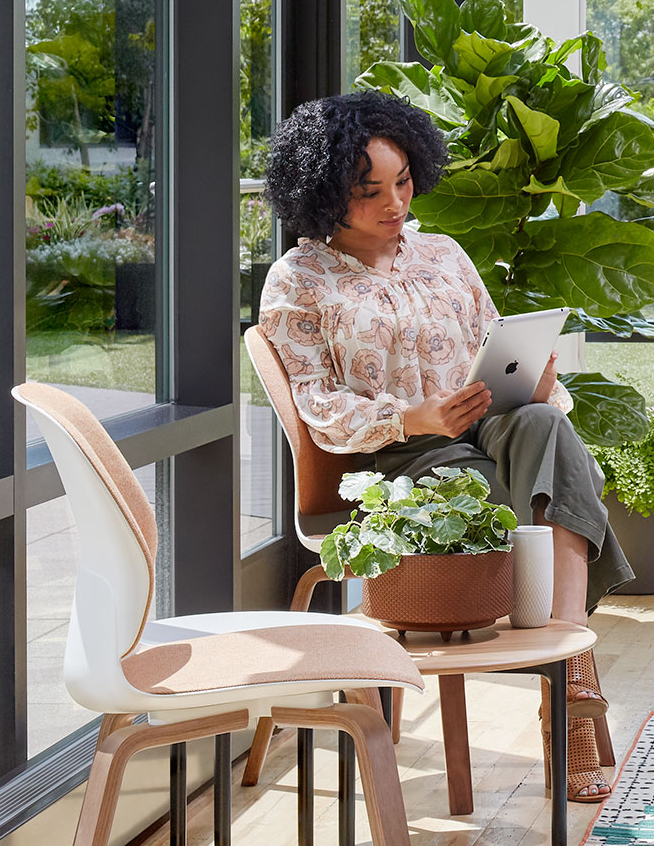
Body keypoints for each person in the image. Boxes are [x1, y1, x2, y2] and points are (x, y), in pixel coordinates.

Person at [257, 91, 632, 803]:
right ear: (323, 191)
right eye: (369, 191)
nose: (394, 202)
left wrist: (535, 377)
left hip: (493, 427)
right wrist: (415, 416)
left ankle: (565, 667)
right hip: (395, 457)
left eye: (401, 181)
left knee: (547, 426)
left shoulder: (444, 254)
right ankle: (573, 687)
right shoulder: (298, 282)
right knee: (543, 488)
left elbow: (493, 346)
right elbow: (321, 410)